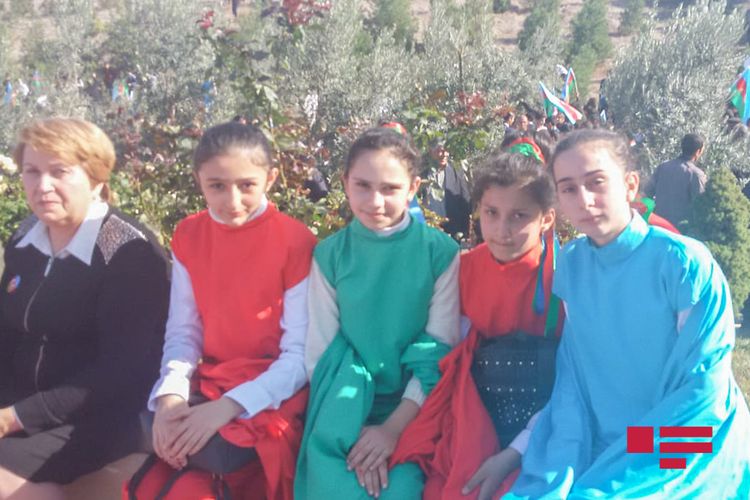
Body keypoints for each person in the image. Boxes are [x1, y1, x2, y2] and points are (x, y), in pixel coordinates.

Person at [506, 130, 750, 498]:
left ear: (630, 185)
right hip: (603, 439)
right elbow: (575, 377)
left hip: (692, 438)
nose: (584, 200)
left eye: (596, 182)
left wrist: (622, 461)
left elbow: (704, 388)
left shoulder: (683, 263)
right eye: (568, 188)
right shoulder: (571, 265)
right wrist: (525, 451)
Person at [128, 122, 316, 500]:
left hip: (274, 389)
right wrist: (171, 395)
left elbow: (300, 355)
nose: (232, 201)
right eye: (217, 186)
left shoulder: (295, 241)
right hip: (211, 382)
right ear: (198, 180)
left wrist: (230, 406)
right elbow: (184, 331)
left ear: (270, 178)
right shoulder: (189, 234)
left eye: (246, 185)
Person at [0, 117, 169, 499]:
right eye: (32, 171)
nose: (43, 185)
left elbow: (120, 369)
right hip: (23, 398)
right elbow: (6, 332)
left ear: (95, 178)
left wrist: (16, 417)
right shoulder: (26, 237)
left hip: (101, 413)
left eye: (59, 172)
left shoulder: (128, 252)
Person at [295, 126, 461, 499]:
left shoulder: (440, 253)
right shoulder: (330, 255)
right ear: (345, 183)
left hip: (415, 408)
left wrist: (392, 430)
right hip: (342, 408)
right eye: (363, 186)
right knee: (333, 488)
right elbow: (322, 354)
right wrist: (355, 435)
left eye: (390, 189)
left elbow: (438, 350)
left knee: (399, 490)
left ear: (413, 188)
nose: (375, 201)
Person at [391, 152, 562, 500]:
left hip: (545, 424)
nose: (501, 231)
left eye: (519, 216)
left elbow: (573, 382)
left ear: (546, 219)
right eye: (491, 213)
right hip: (469, 415)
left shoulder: (564, 278)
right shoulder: (462, 268)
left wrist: (514, 452)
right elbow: (445, 348)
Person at [644, 133, 707, 228]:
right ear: (698, 151)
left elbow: (648, 191)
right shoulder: (696, 175)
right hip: (680, 229)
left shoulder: (663, 167)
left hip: (657, 224)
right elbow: (701, 204)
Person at [424, 142, 472, 240]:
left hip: (452, 232)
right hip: (427, 230)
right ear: (430, 151)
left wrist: (464, 231)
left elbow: (465, 201)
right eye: (440, 151)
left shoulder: (456, 172)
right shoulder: (422, 172)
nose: (445, 154)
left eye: (446, 150)